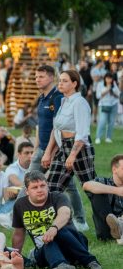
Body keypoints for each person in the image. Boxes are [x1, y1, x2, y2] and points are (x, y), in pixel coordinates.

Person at [11, 171, 101, 269]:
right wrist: (16, 255)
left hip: (71, 244)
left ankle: (91, 262)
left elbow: (65, 213)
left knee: (60, 231)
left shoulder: (57, 196)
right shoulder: (20, 205)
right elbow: (18, 234)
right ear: (27, 191)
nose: (40, 190)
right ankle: (61, 265)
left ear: (47, 186)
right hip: (45, 252)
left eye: (42, 186)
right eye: (35, 187)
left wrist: (53, 228)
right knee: (47, 242)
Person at [31, 65, 88, 231]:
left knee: (87, 186)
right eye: (36, 77)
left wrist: (55, 151)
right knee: (65, 186)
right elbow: (44, 127)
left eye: (41, 76)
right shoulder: (48, 99)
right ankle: (77, 219)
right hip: (47, 148)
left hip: (63, 148)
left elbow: (68, 130)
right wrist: (38, 149)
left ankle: (80, 220)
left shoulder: (61, 99)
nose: (37, 80)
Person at [41, 70, 97, 231]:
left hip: (79, 148)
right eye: (60, 81)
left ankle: (113, 216)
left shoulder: (79, 103)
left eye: (65, 81)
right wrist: (48, 152)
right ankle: (56, 224)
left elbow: (82, 133)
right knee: (51, 186)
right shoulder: (64, 101)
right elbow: (56, 128)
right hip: (63, 146)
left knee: (91, 188)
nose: (60, 83)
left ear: (74, 84)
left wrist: (72, 155)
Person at [83, 154, 123, 243]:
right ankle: (116, 226)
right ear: (114, 169)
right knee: (98, 193)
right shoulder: (103, 182)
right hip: (106, 231)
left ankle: (120, 226)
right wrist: (117, 190)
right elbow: (86, 185)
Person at [94, 73, 119, 144]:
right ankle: (98, 137)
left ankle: (108, 137)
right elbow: (98, 96)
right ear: (105, 78)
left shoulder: (114, 84)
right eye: (107, 78)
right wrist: (107, 90)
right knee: (102, 121)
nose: (109, 80)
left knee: (111, 122)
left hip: (113, 105)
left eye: (110, 78)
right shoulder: (100, 84)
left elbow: (118, 95)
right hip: (103, 105)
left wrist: (112, 91)